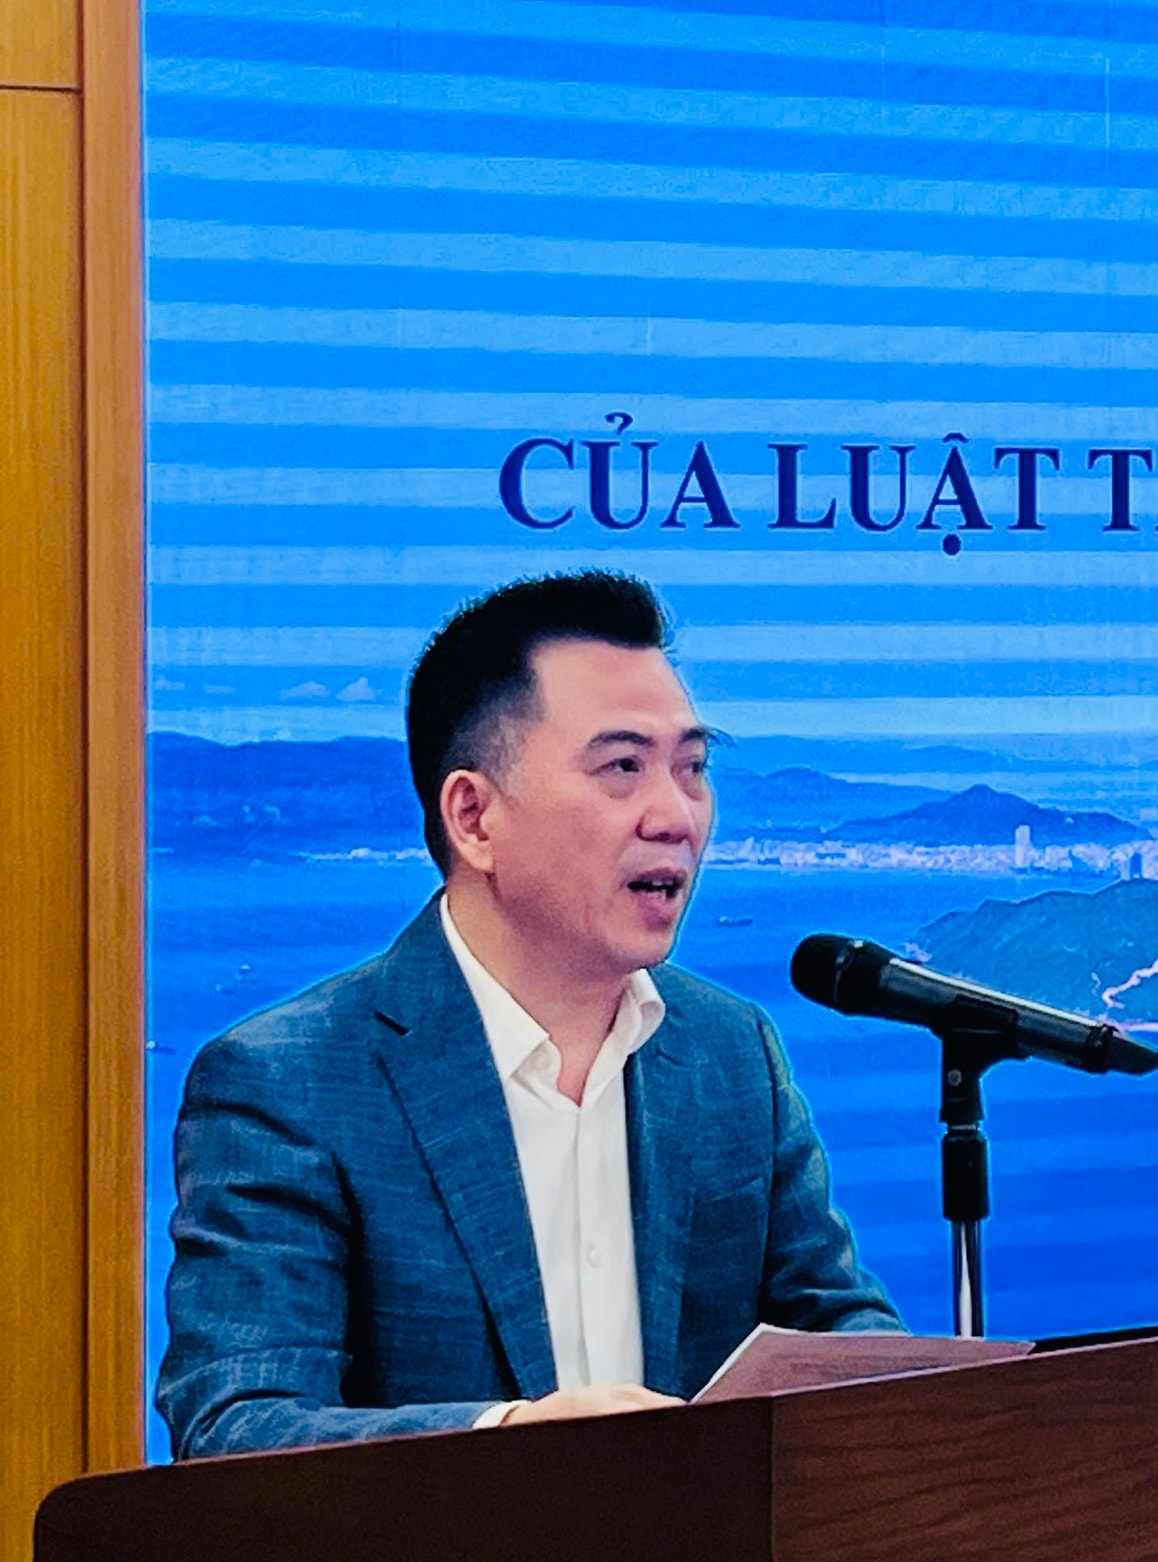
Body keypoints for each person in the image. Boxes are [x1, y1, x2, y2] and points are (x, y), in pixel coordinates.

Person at [158, 571, 900, 1458]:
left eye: (693, 768)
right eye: (623, 767)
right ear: (473, 817)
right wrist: (514, 1439)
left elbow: (839, 1344)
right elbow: (239, 1427)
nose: (676, 816)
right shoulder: (290, 1081)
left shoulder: (729, 1051)